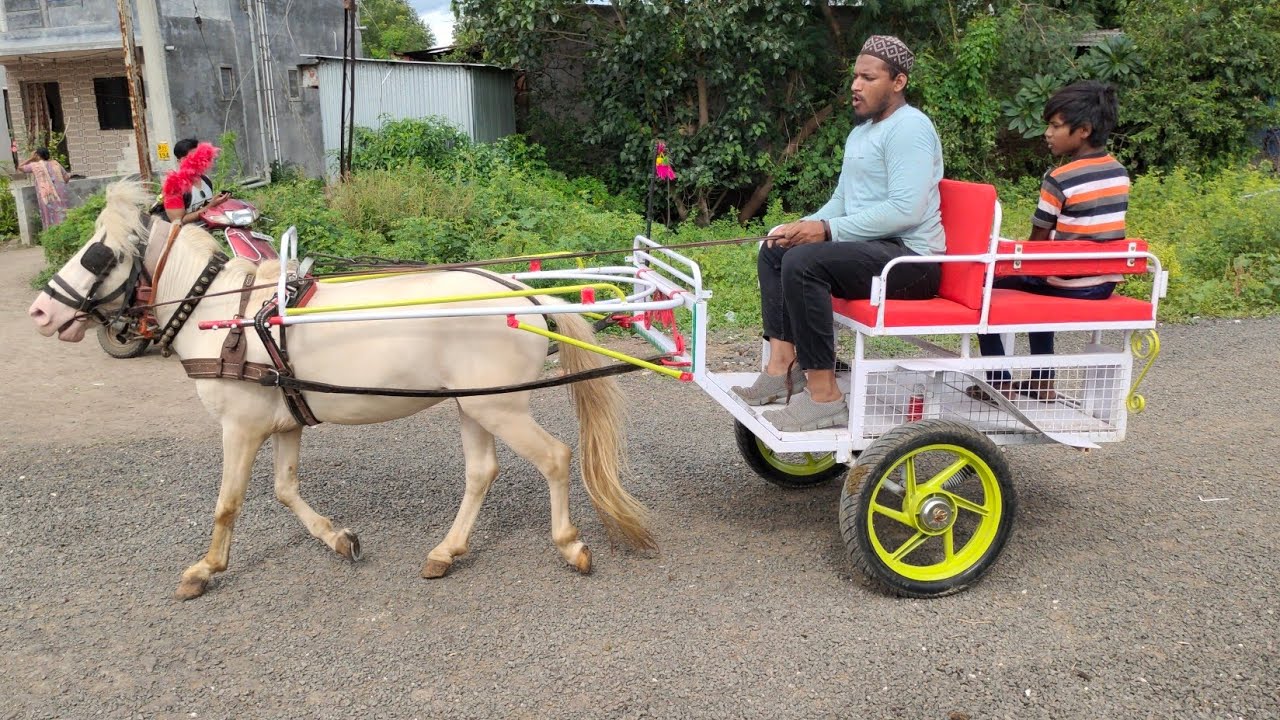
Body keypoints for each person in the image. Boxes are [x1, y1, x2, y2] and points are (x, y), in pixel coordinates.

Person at [731, 35, 945, 432]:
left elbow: (906, 209)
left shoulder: (910, 128)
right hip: (874, 250)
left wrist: (827, 231)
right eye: (854, 77)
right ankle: (781, 369)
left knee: (803, 264)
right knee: (777, 249)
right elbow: (843, 201)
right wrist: (800, 226)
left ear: (898, 82)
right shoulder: (860, 133)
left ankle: (825, 398)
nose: (855, 86)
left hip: (913, 260)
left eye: (868, 77)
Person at [970, 81, 1129, 404]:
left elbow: (1034, 248)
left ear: (1083, 130)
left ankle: (999, 381)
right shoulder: (1119, 172)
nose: (1047, 133)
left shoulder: (1060, 179)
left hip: (1068, 280)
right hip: (1103, 282)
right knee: (1039, 278)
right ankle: (1043, 381)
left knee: (979, 284)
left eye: (1055, 126)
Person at [161, 138, 228, 224]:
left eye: (196, 157)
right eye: (188, 158)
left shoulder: (205, 179)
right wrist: (211, 205)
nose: (194, 161)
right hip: (189, 235)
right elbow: (178, 222)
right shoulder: (174, 186)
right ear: (179, 161)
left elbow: (206, 205)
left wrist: (218, 201)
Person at [18, 147, 71, 229]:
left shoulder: (35, 165)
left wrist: (31, 159)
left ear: (37, 155)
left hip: (47, 194)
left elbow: (20, 167)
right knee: (63, 212)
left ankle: (51, 233)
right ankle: (66, 230)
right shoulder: (55, 163)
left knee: (49, 213)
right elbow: (66, 177)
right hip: (61, 193)